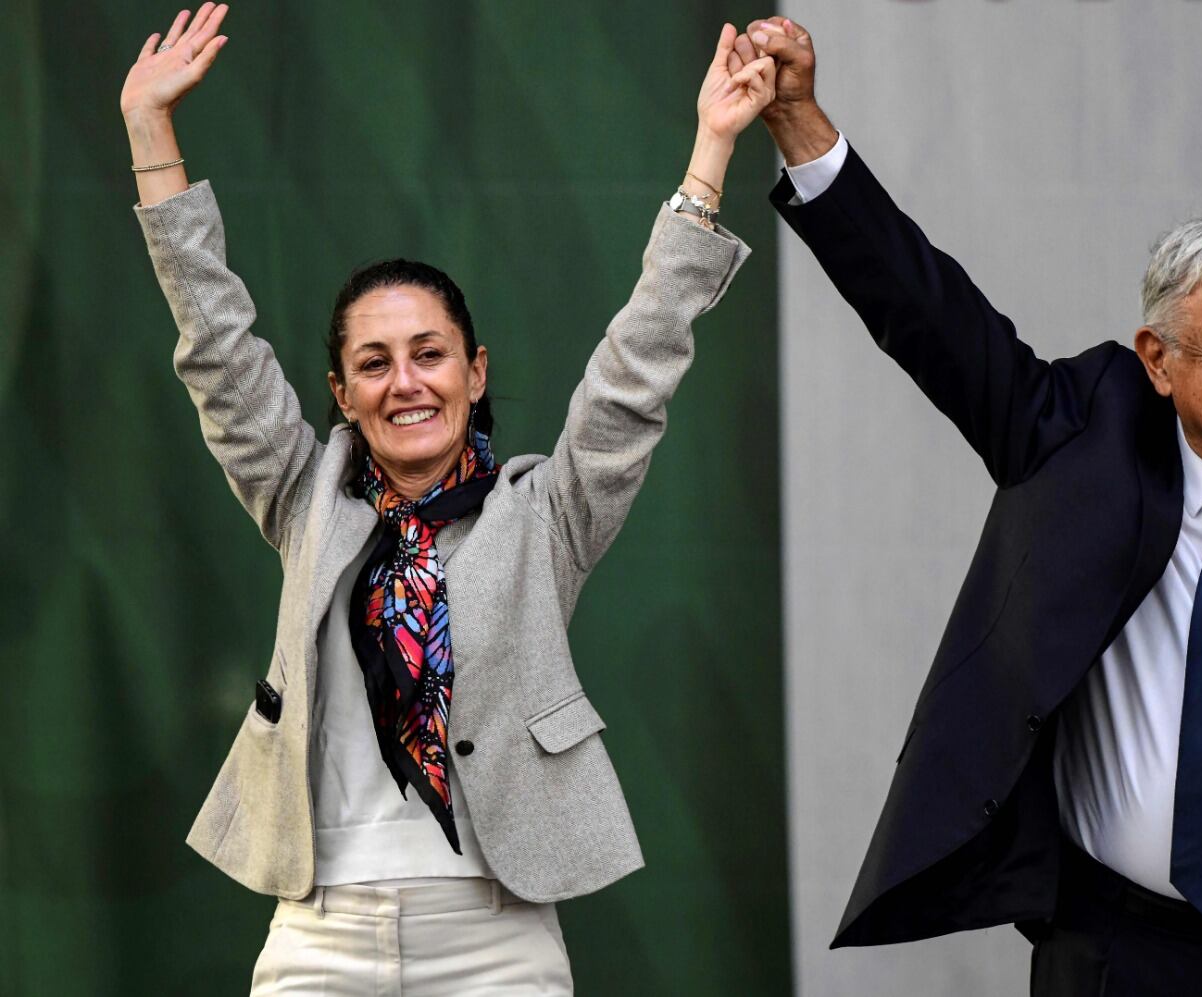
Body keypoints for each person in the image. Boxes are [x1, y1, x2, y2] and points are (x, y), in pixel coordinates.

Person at [736, 17, 1202, 996]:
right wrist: (797, 119)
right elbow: (924, 309)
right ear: (1156, 361)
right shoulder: (1077, 441)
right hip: (1113, 959)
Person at [121, 6, 776, 993]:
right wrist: (149, 133)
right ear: (341, 394)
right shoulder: (304, 497)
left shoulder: (544, 514)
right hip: (320, 930)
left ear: (474, 372)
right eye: (373, 363)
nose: (406, 381)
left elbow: (635, 370)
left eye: (429, 354)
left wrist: (712, 148)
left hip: (495, 934)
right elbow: (215, 346)